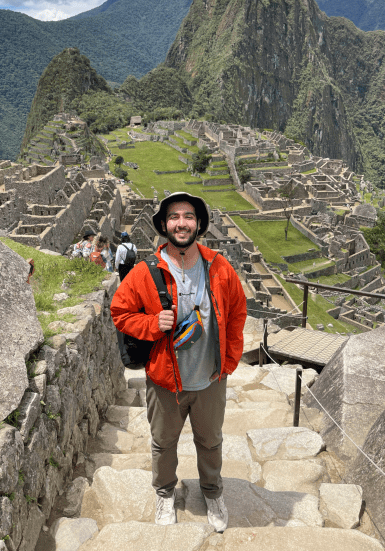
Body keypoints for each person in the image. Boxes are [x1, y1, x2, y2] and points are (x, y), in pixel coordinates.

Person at [110, 192, 246, 532]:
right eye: (174, 216)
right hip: (165, 379)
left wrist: (228, 362)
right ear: (163, 225)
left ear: (198, 224)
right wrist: (152, 325)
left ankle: (212, 492)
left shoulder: (218, 267)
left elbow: (237, 314)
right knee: (163, 442)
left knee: (211, 442)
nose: (181, 223)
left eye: (188, 216)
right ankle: (165, 493)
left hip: (209, 378)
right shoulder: (145, 273)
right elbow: (120, 312)